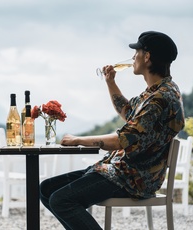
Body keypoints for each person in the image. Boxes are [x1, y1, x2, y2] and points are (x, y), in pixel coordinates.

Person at [40, 31, 185, 229]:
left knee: (61, 200)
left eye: (136, 52)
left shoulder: (160, 99)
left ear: (147, 56)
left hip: (133, 177)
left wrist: (78, 140)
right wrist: (110, 82)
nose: (134, 58)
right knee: (47, 189)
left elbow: (122, 140)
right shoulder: (157, 91)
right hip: (119, 170)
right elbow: (127, 111)